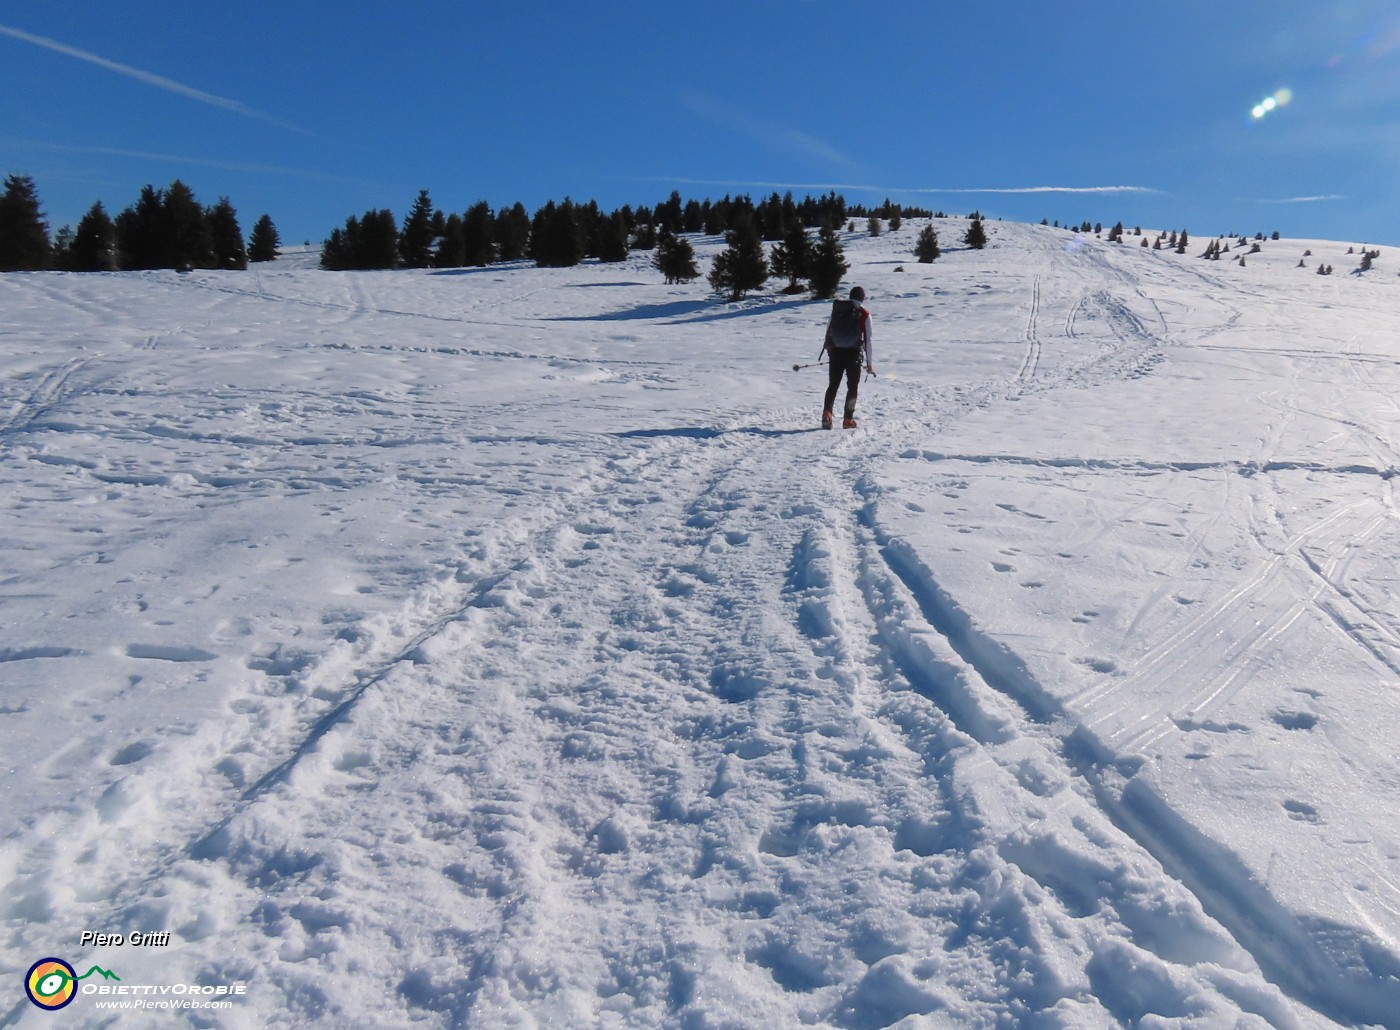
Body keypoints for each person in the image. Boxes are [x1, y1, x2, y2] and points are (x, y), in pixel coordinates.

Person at [821, 285, 875, 429]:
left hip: (836, 352)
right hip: (854, 355)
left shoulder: (838, 310)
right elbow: (868, 340)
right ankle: (847, 419)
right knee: (852, 387)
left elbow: (828, 330)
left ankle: (827, 413)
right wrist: (869, 363)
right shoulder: (864, 314)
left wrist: (830, 349)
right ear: (862, 298)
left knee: (833, 385)